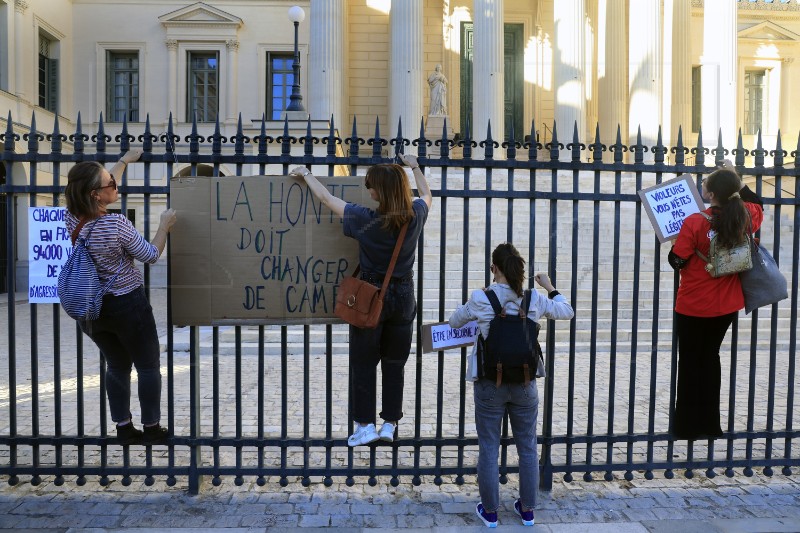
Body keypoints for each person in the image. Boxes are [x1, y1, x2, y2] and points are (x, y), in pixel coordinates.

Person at [289, 154, 432, 447]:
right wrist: (414, 165)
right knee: (395, 363)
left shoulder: (366, 220)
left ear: (380, 191)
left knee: (364, 363)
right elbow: (428, 194)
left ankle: (365, 425)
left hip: (370, 296)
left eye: (371, 186)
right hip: (404, 296)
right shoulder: (415, 215)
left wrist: (306, 173)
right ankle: (390, 424)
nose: (368, 191)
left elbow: (327, 199)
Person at [449, 243, 574, 528]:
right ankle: (527, 510)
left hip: (490, 383)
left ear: (494, 269)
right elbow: (567, 311)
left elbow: (456, 322)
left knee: (489, 447)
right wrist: (550, 286)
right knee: (528, 447)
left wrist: (482, 298)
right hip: (525, 382)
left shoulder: (482, 298)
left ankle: (490, 512)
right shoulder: (533, 298)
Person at [64, 149, 177, 445]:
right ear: (96, 195)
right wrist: (164, 225)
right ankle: (152, 428)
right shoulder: (116, 224)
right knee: (148, 365)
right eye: (110, 184)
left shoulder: (72, 219)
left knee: (116, 365)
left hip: (93, 309)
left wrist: (124, 162)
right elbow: (150, 255)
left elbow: (101, 184)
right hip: (128, 305)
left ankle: (124, 428)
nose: (115, 184)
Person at [668, 161, 764, 440]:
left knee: (689, 363)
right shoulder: (744, 216)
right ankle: (710, 426)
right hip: (726, 306)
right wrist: (736, 177)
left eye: (705, 187)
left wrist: (677, 245)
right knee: (710, 360)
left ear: (710, 195)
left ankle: (686, 427)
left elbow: (678, 260)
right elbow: (757, 202)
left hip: (693, 304)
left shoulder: (695, 221)